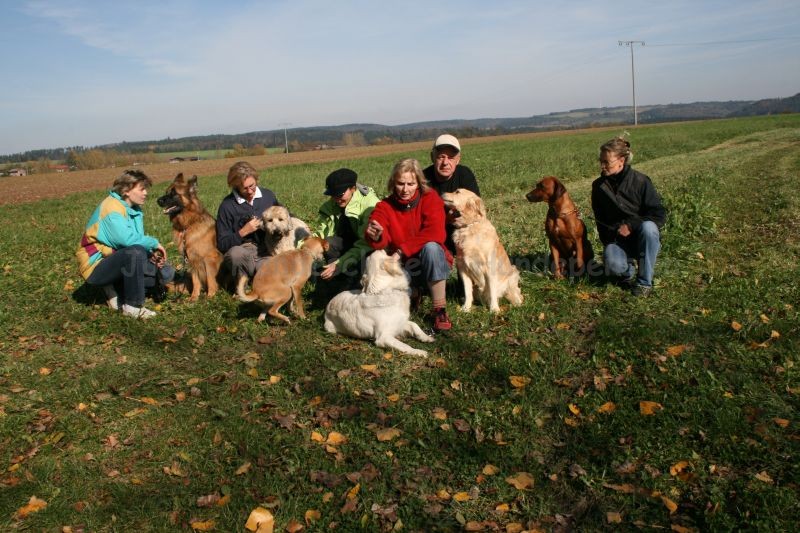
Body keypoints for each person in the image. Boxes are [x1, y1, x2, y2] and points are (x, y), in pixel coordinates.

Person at [365, 158, 453, 332]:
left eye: (411, 184)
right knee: (374, 258)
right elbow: (378, 226)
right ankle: (414, 292)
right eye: (400, 184)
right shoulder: (385, 206)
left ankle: (440, 310)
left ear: (419, 183)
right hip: (404, 267)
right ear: (393, 183)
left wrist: (400, 251)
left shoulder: (430, 198)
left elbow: (435, 233)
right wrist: (375, 234)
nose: (405, 189)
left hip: (432, 262)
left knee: (432, 247)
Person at [76, 169, 174, 318]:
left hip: (116, 259)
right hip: (96, 267)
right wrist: (154, 243)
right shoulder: (112, 208)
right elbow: (127, 241)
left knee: (166, 273)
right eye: (142, 189)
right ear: (126, 190)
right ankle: (132, 306)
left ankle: (116, 289)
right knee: (135, 252)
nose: (146, 193)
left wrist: (151, 256)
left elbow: (135, 242)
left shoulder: (133, 209)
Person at [591, 137, 666, 297]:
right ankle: (626, 271)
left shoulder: (641, 181)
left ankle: (644, 282)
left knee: (649, 227)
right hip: (618, 240)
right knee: (613, 265)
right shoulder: (598, 187)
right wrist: (610, 243)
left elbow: (658, 214)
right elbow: (600, 222)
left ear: (621, 160)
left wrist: (631, 225)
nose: (602, 166)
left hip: (643, 237)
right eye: (601, 161)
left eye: (606, 162)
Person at [216, 161, 282, 284]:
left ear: (256, 179)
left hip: (268, 250)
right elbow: (222, 244)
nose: (250, 191)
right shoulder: (227, 206)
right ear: (235, 186)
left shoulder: (268, 196)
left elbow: (284, 215)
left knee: (274, 271)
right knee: (235, 255)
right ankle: (242, 282)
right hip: (244, 251)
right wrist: (243, 232)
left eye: (252, 186)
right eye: (245, 188)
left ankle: (258, 278)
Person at [313, 168, 380, 285]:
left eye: (340, 195)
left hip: (367, 248)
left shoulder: (370, 205)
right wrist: (301, 249)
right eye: (333, 195)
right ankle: (338, 279)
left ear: (353, 188)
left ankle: (356, 278)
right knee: (329, 243)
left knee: (368, 262)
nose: (336, 200)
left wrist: (339, 264)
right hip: (347, 244)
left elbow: (366, 243)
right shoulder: (331, 205)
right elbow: (321, 233)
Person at [424, 134, 481, 254]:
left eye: (451, 158)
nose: (445, 162)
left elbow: (475, 210)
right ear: (432, 157)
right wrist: (446, 219)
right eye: (441, 157)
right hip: (434, 237)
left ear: (458, 159)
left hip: (463, 234)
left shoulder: (464, 175)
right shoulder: (423, 180)